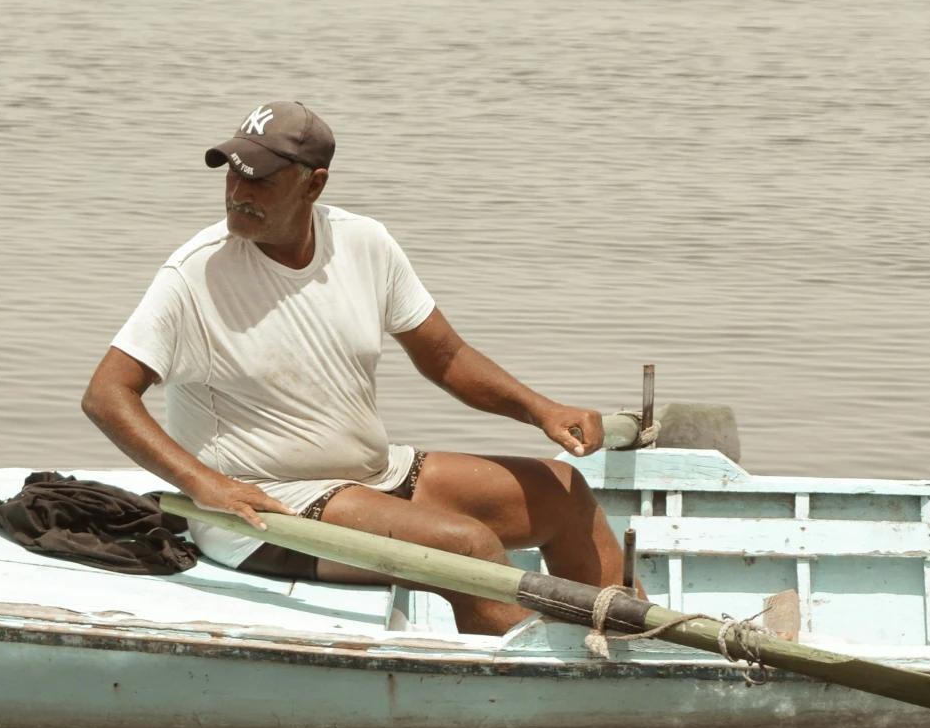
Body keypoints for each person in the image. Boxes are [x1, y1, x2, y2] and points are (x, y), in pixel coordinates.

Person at [82, 100, 628, 637]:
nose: (238, 194)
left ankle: (631, 649)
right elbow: (107, 394)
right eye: (232, 174)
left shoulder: (364, 243)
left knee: (563, 491)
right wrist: (205, 485)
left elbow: (447, 357)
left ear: (313, 185)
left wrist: (542, 411)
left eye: (262, 181)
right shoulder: (194, 274)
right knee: (466, 548)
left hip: (371, 473)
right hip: (268, 507)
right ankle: (533, 698)